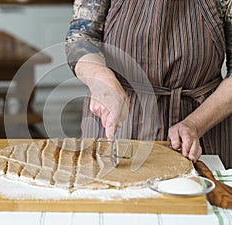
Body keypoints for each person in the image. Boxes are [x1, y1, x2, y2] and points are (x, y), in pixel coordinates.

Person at [65, 0, 232, 169]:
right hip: (120, 116)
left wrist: (195, 124)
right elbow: (81, 38)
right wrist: (101, 79)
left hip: (202, 125)